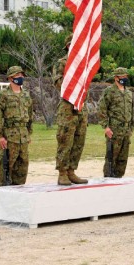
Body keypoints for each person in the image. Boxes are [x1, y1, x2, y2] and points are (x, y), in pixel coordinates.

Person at [54, 36, 88, 186]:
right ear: (68, 46)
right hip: (67, 108)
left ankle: (71, 171)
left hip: (80, 107)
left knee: (78, 141)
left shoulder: (83, 64)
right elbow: (58, 83)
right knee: (65, 140)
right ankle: (62, 172)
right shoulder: (62, 63)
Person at [0, 65, 34, 186]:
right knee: (6, 167)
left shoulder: (26, 94)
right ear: (10, 78)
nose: (21, 77)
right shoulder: (3, 95)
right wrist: (0, 136)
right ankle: (4, 195)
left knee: (22, 166)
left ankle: (19, 193)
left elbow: (30, 114)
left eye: (21, 75)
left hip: (23, 136)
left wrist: (28, 133)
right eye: (18, 75)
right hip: (9, 136)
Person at [98, 67, 134, 178]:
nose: (125, 78)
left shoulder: (128, 92)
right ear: (116, 78)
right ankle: (108, 179)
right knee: (111, 157)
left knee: (123, 158)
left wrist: (131, 127)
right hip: (114, 130)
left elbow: (131, 111)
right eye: (122, 76)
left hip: (126, 131)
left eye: (126, 76)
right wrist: (106, 127)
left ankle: (119, 179)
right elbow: (102, 109)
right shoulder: (109, 91)